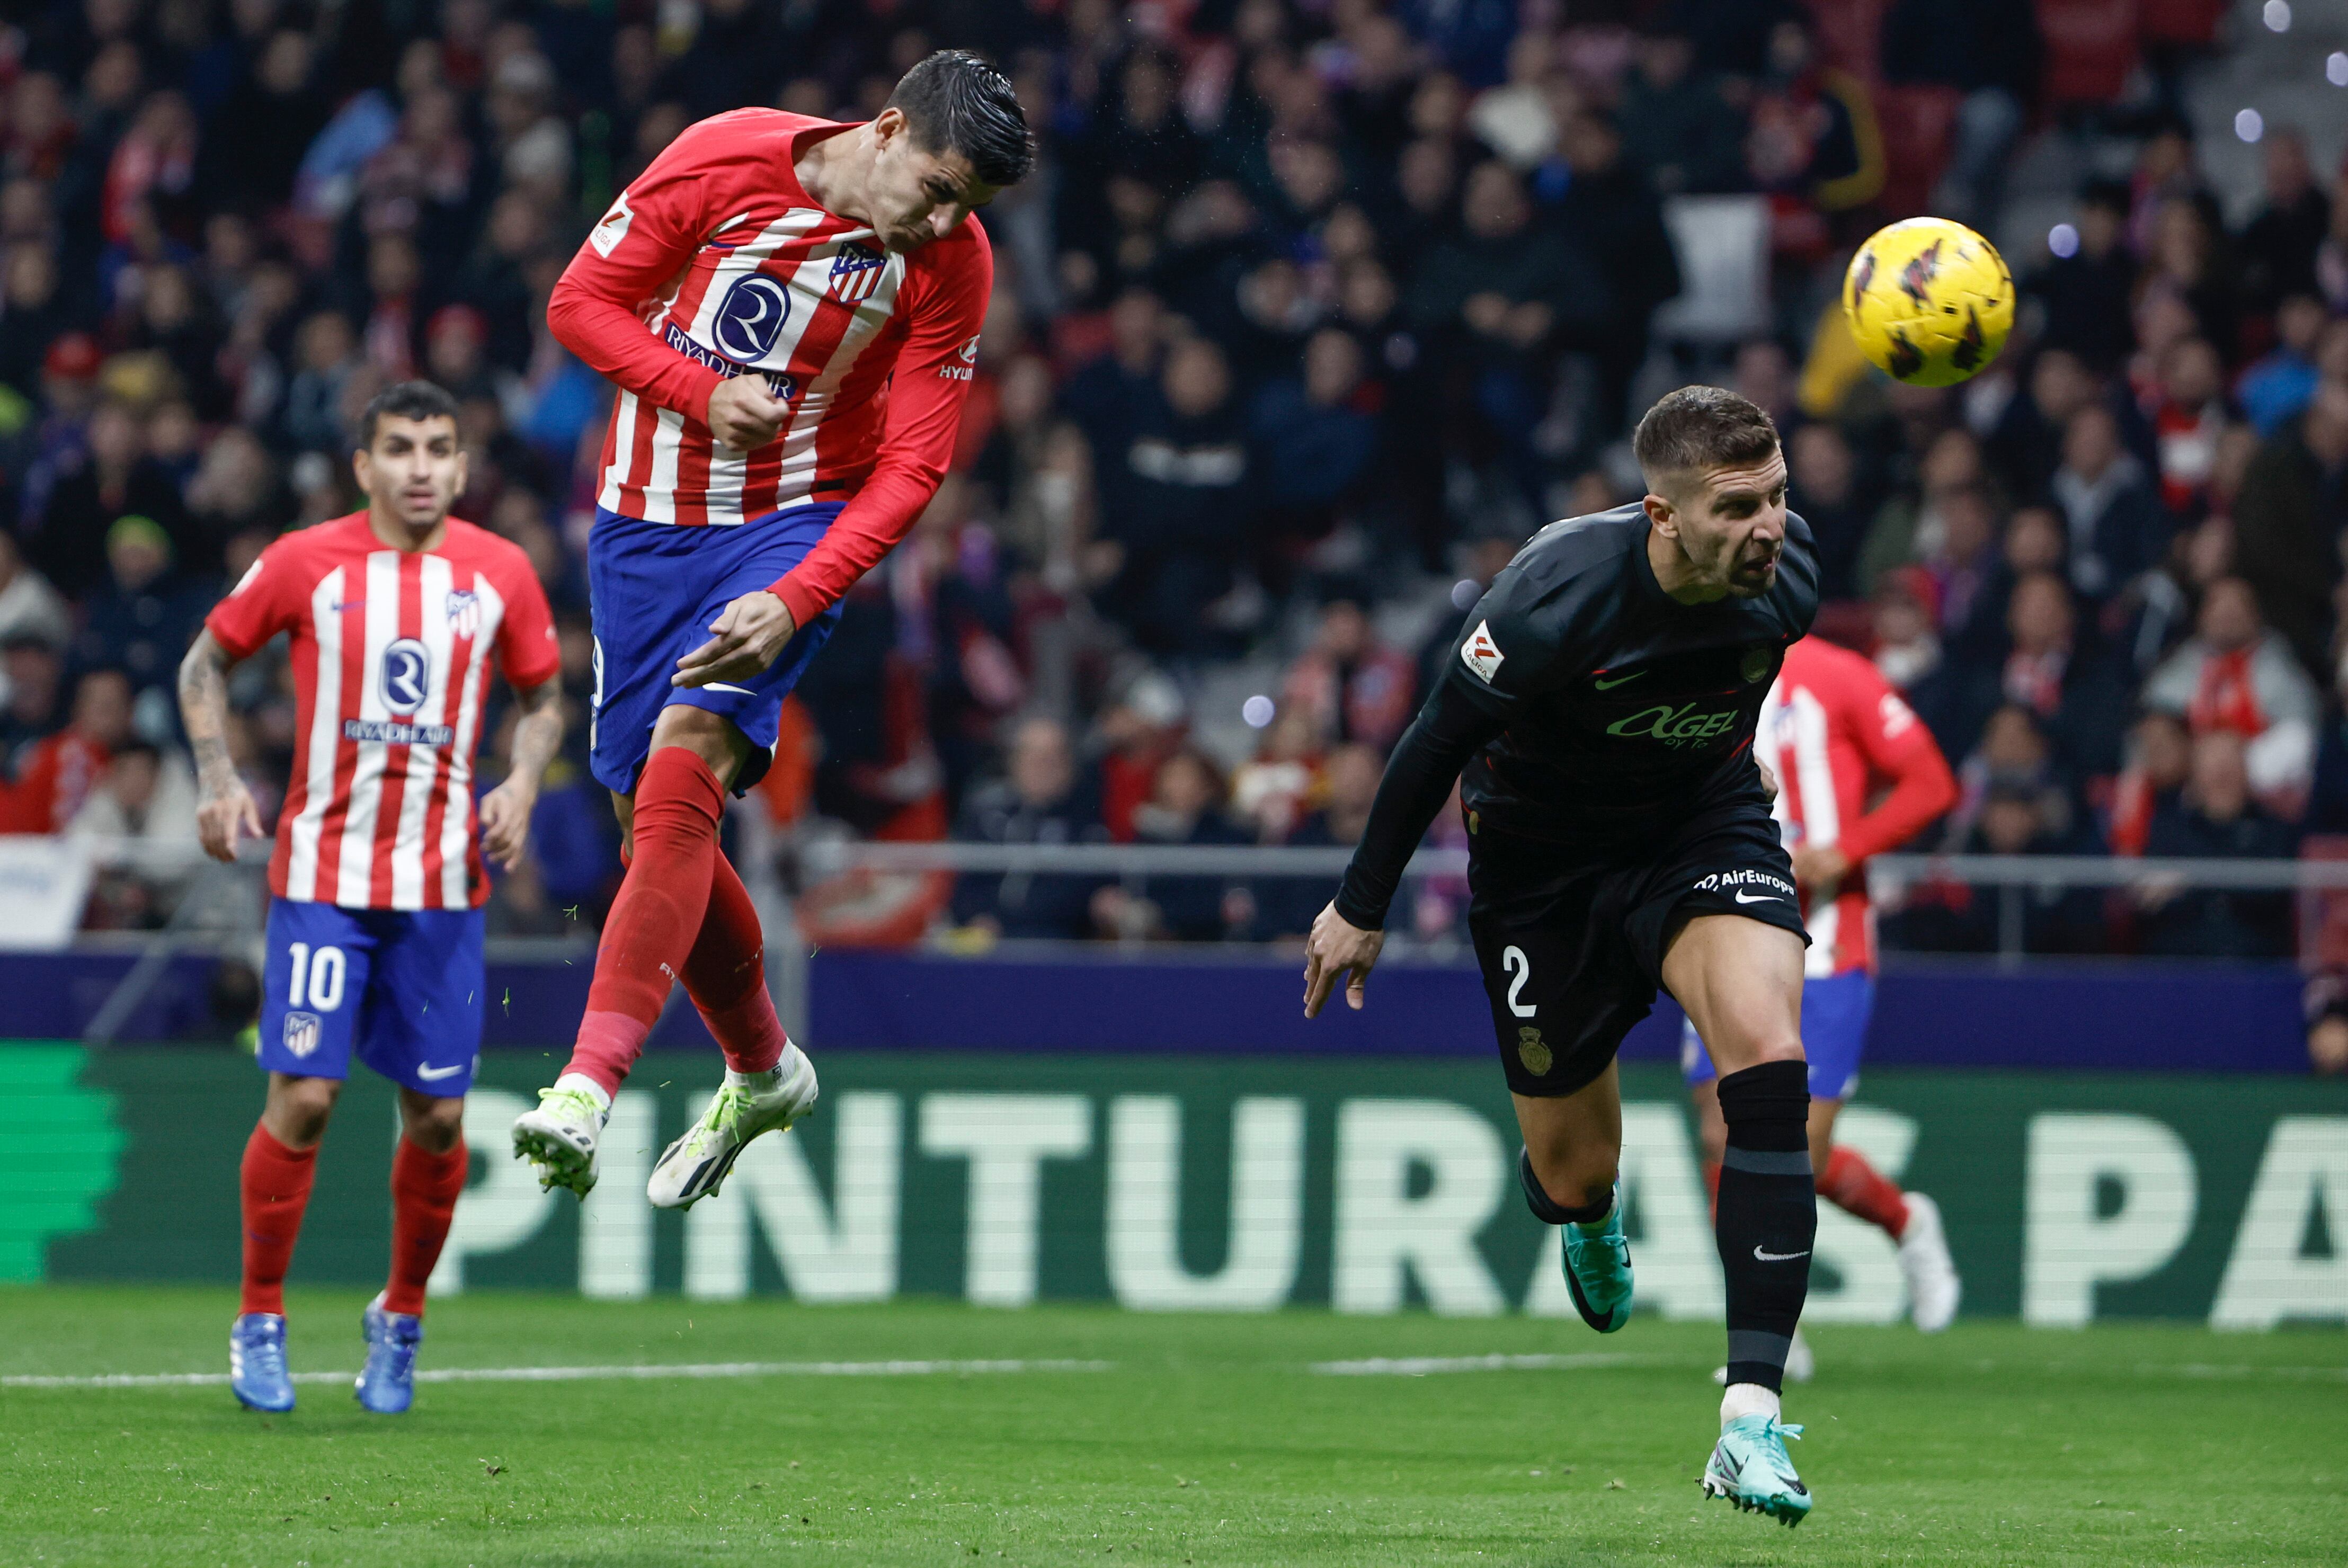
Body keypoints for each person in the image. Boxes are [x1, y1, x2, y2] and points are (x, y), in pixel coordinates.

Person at [511, 51, 1032, 1210]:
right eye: (940, 188)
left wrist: (798, 593)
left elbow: (914, 464)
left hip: (795, 523)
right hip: (644, 527)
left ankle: (585, 1091)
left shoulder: (951, 263)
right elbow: (578, 305)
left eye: (969, 209)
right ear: (886, 130)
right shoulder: (726, 154)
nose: (946, 222)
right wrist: (699, 395)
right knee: (651, 822)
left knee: (684, 766)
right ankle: (763, 1067)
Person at [1301, 386, 1825, 1525]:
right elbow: (1437, 736)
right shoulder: (1554, 592)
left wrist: (1735, 764)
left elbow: (1733, 687)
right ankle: (1589, 1216)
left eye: (1776, 497)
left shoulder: (1791, 577)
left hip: (1698, 831)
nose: (1767, 526)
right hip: (1541, 872)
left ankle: (1747, 1419)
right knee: (1573, 1167)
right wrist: (1360, 902)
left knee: (1769, 1061)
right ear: (1660, 515)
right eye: (1736, 507)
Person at [179, 380, 564, 1416]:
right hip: (322, 879)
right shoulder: (308, 561)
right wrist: (219, 780)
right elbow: (205, 661)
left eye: (441, 447)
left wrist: (523, 782)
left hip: (443, 889)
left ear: (464, 466)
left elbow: (542, 696)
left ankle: (401, 1319)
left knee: (437, 1116)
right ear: (364, 466)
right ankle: (260, 1318)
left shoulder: (500, 573)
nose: (422, 467)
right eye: (400, 448)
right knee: (305, 1096)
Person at [1680, 635, 1964, 1383]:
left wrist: (1848, 848)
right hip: (1714, 928)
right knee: (1721, 1134)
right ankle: (1770, 1337)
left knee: (1795, 1153)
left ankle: (1905, 1222)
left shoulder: (1839, 675)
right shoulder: (1689, 666)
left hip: (1826, 943)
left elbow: (1930, 782)